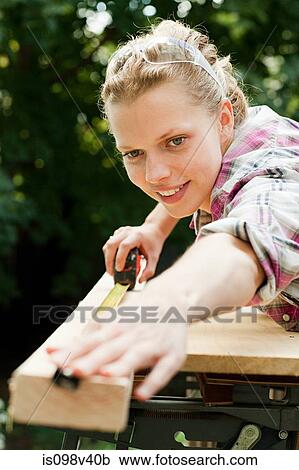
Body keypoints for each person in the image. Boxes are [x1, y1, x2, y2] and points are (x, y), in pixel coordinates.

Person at [47, 20, 299, 401]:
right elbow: (187, 181)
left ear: (224, 118)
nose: (155, 174)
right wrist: (155, 228)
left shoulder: (275, 167)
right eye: (133, 153)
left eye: (175, 141)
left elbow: (252, 237)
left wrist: (168, 301)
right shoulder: (234, 137)